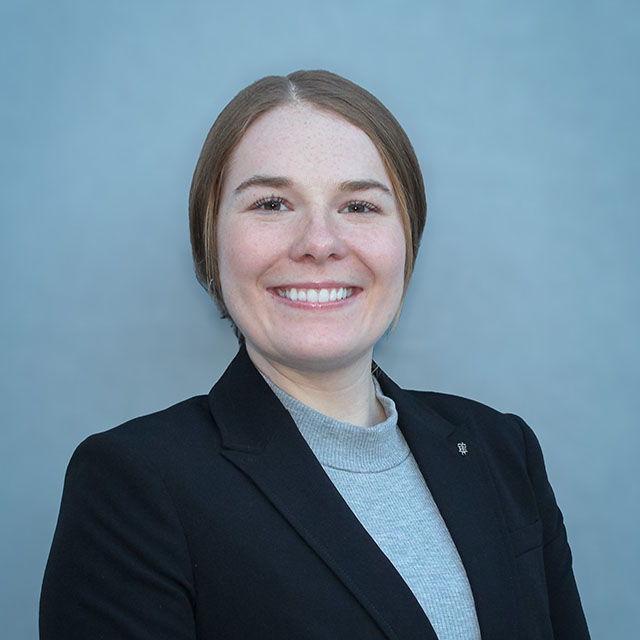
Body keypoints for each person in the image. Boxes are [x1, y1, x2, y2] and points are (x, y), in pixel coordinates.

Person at [40, 70, 590, 639]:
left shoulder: (503, 450)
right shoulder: (134, 484)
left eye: (359, 206)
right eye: (273, 203)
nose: (319, 242)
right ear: (211, 241)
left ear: (407, 240)